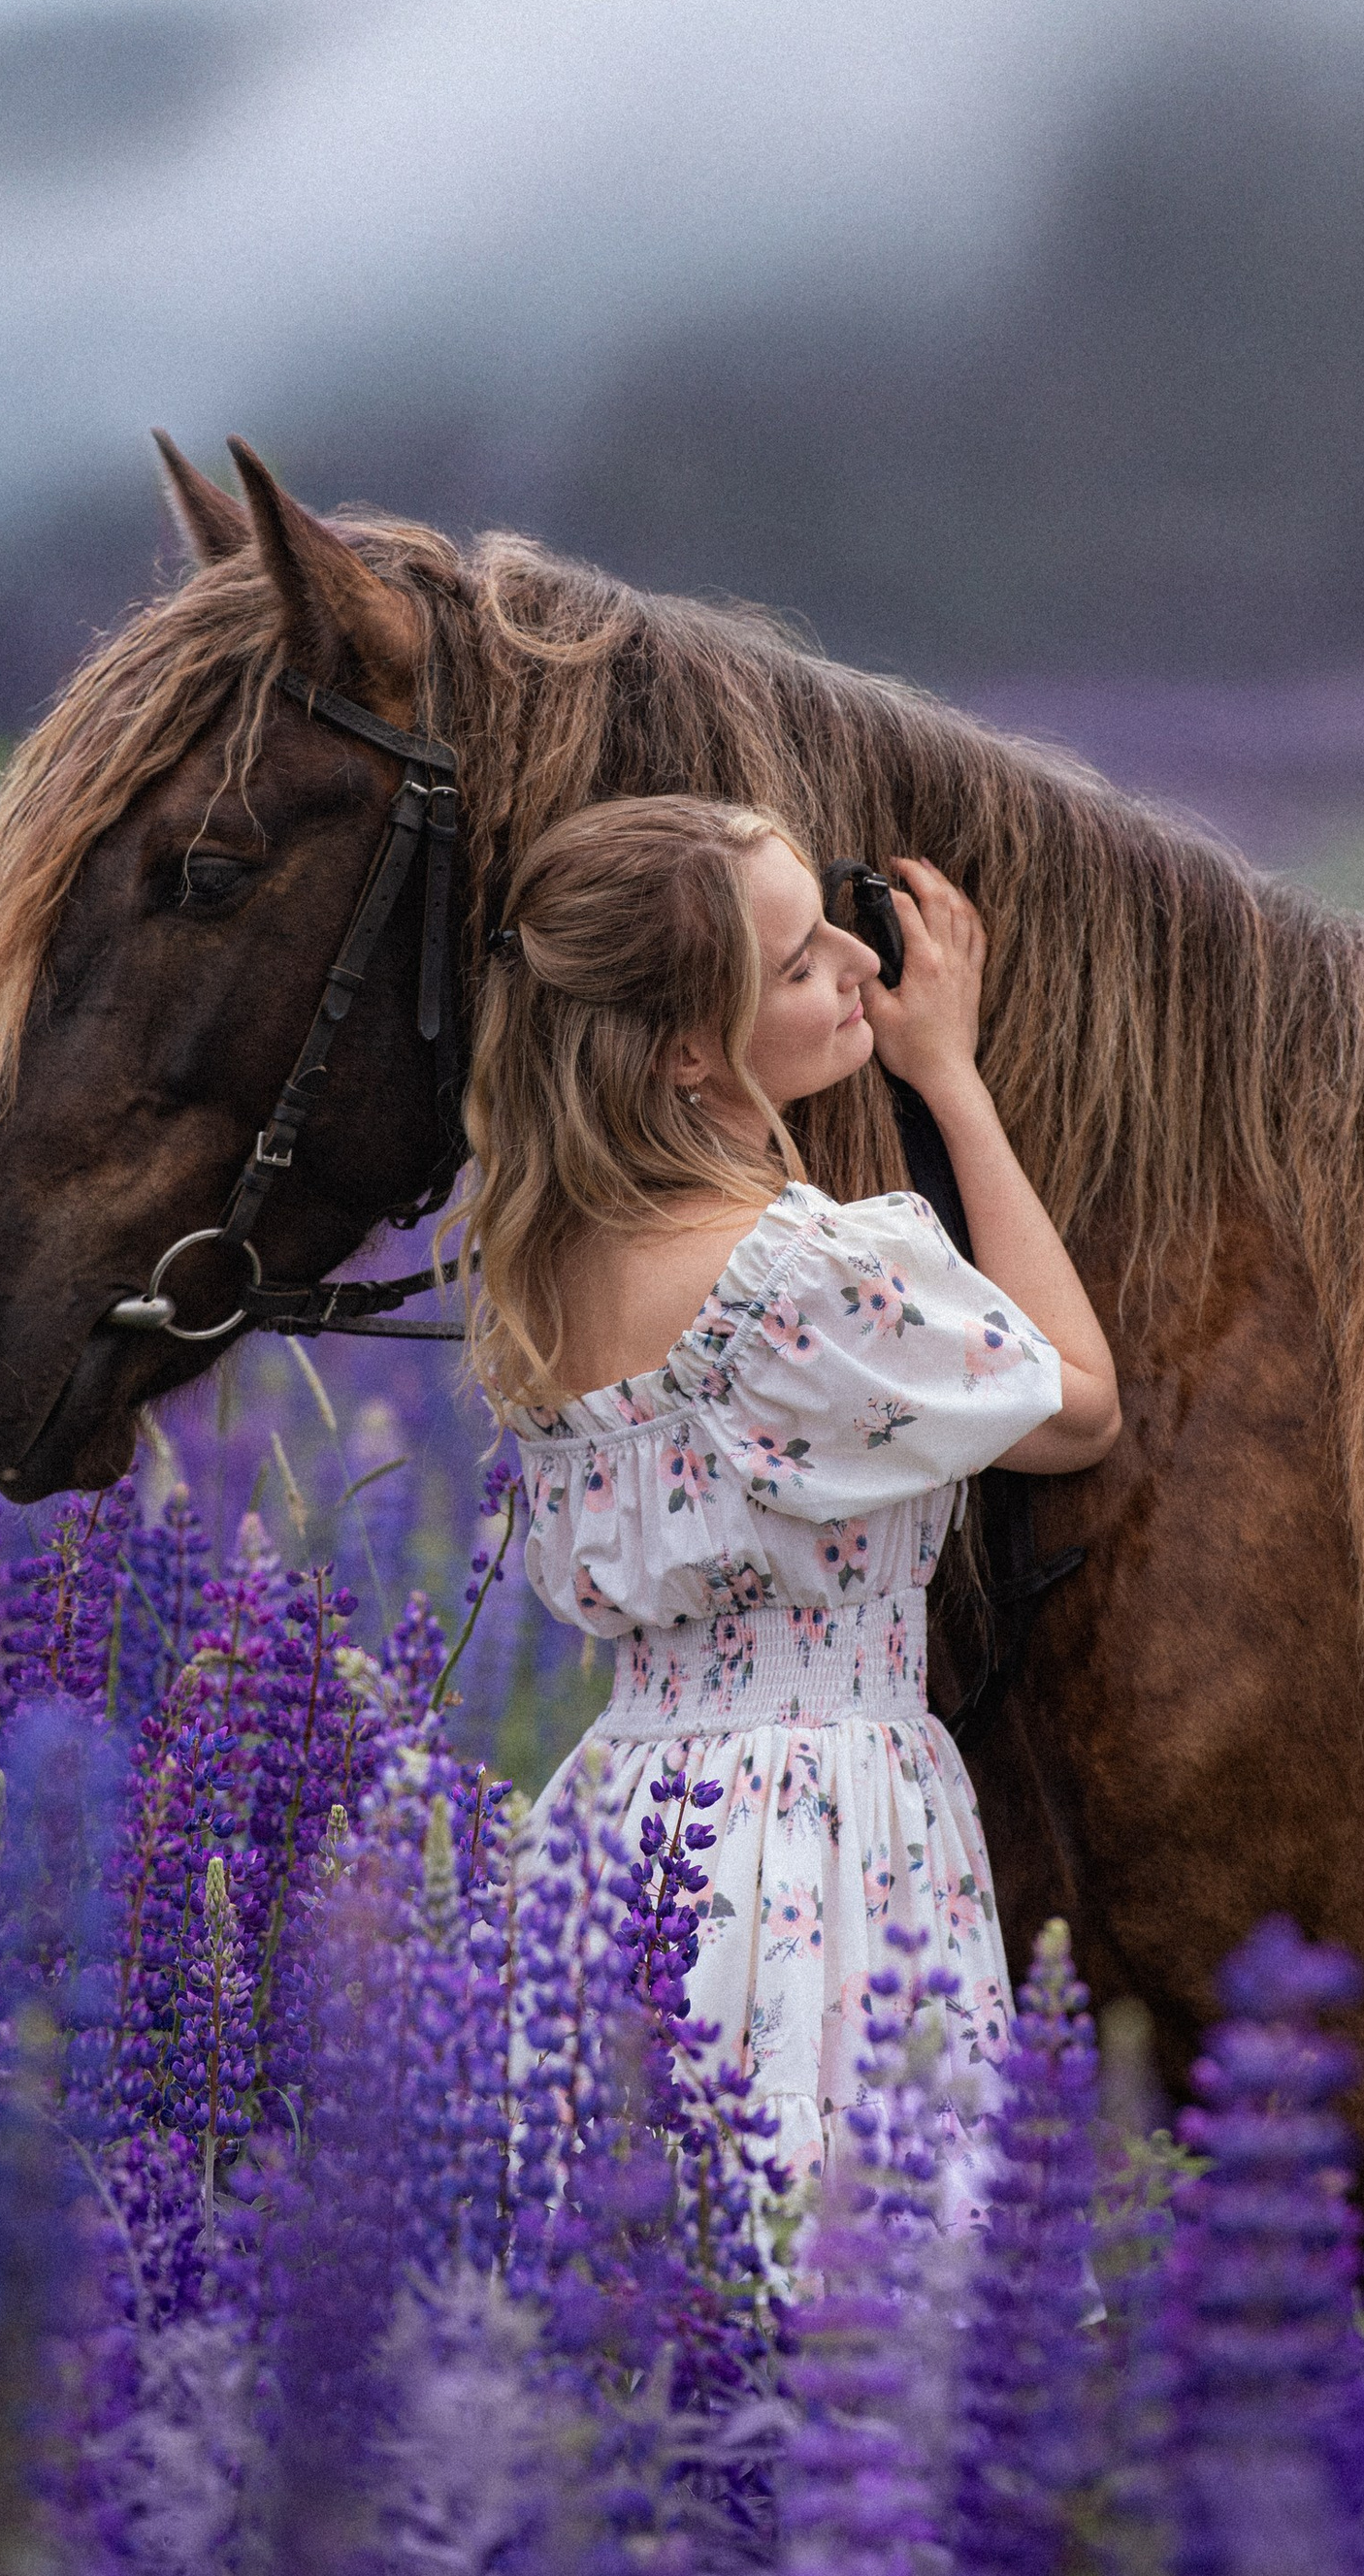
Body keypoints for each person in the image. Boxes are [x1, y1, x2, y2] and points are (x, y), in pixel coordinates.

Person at [462, 793, 1120, 2189]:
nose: (861, 964)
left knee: (622, 2281)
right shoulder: (803, 1275)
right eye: (801, 959)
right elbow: (1077, 1404)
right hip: (826, 1832)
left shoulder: (540, 1272)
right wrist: (953, 1077)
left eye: (834, 922)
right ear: (693, 1048)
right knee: (852, 2285)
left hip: (615, 1835)